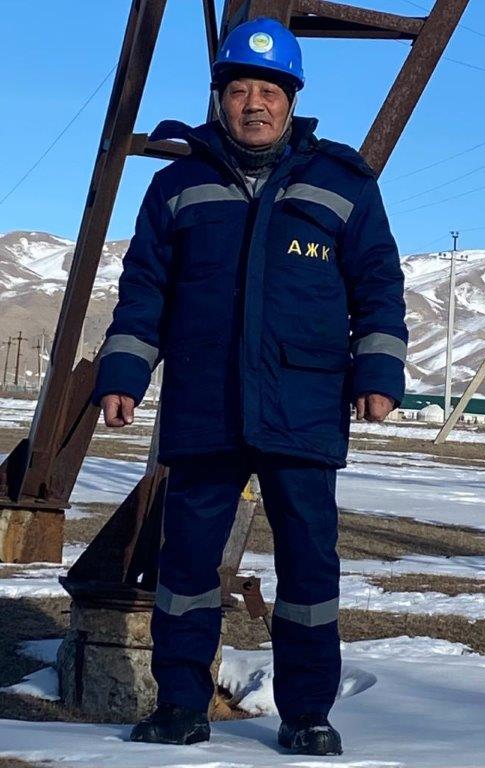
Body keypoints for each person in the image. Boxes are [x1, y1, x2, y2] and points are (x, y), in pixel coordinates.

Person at [92, 16, 408, 756]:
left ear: (292, 98)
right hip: (206, 404)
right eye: (240, 90)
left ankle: (307, 714)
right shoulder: (177, 186)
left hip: (305, 405)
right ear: (221, 98)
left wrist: (378, 373)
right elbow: (144, 292)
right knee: (186, 565)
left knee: (309, 566)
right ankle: (181, 705)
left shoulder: (343, 184)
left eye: (269, 90)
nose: (254, 104)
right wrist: (124, 375)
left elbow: (379, 287)